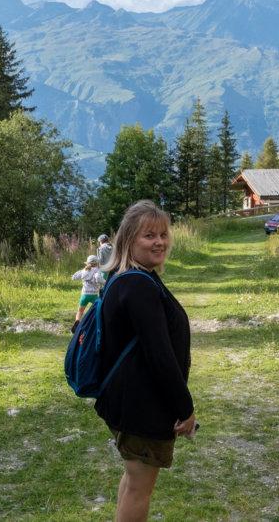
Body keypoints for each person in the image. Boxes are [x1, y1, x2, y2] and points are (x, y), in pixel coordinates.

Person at [96, 200, 196, 522]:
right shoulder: (138, 285)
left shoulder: (128, 278)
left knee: (132, 481)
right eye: (149, 235)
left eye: (163, 234)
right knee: (140, 487)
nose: (159, 242)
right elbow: (160, 356)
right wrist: (185, 409)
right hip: (142, 406)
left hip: (130, 402)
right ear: (129, 240)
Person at [71, 254, 105, 331]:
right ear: (96, 263)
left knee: (80, 311)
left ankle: (77, 322)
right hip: (94, 295)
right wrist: (105, 282)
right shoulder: (97, 270)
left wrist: (80, 275)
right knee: (98, 310)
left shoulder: (84, 270)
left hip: (84, 295)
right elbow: (98, 278)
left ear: (87, 263)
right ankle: (96, 324)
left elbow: (74, 277)